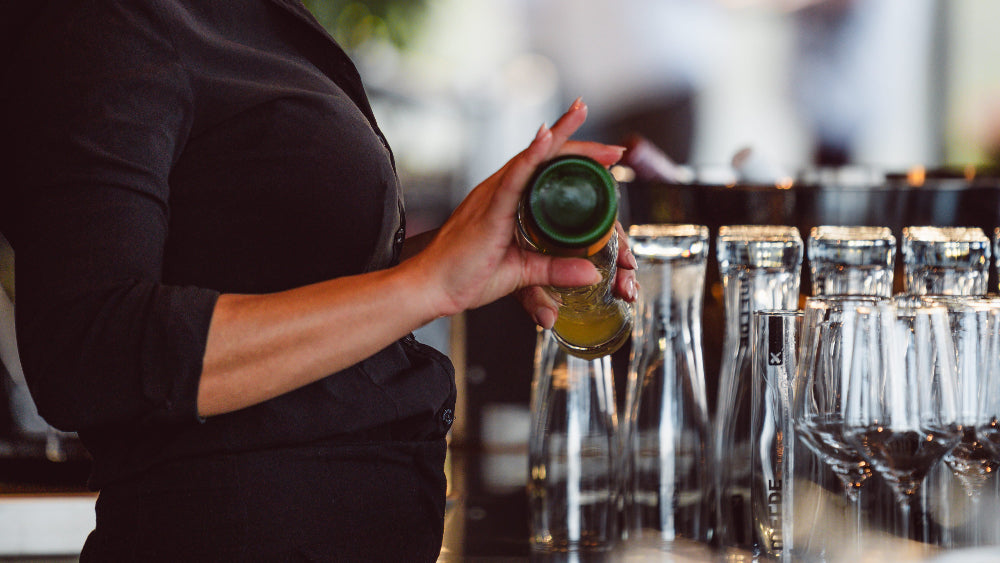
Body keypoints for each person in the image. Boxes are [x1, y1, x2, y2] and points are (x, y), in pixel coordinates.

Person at [0, 1, 637, 560]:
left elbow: (278, 279)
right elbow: (88, 350)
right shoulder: (103, 19)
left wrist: (470, 252)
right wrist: (426, 284)